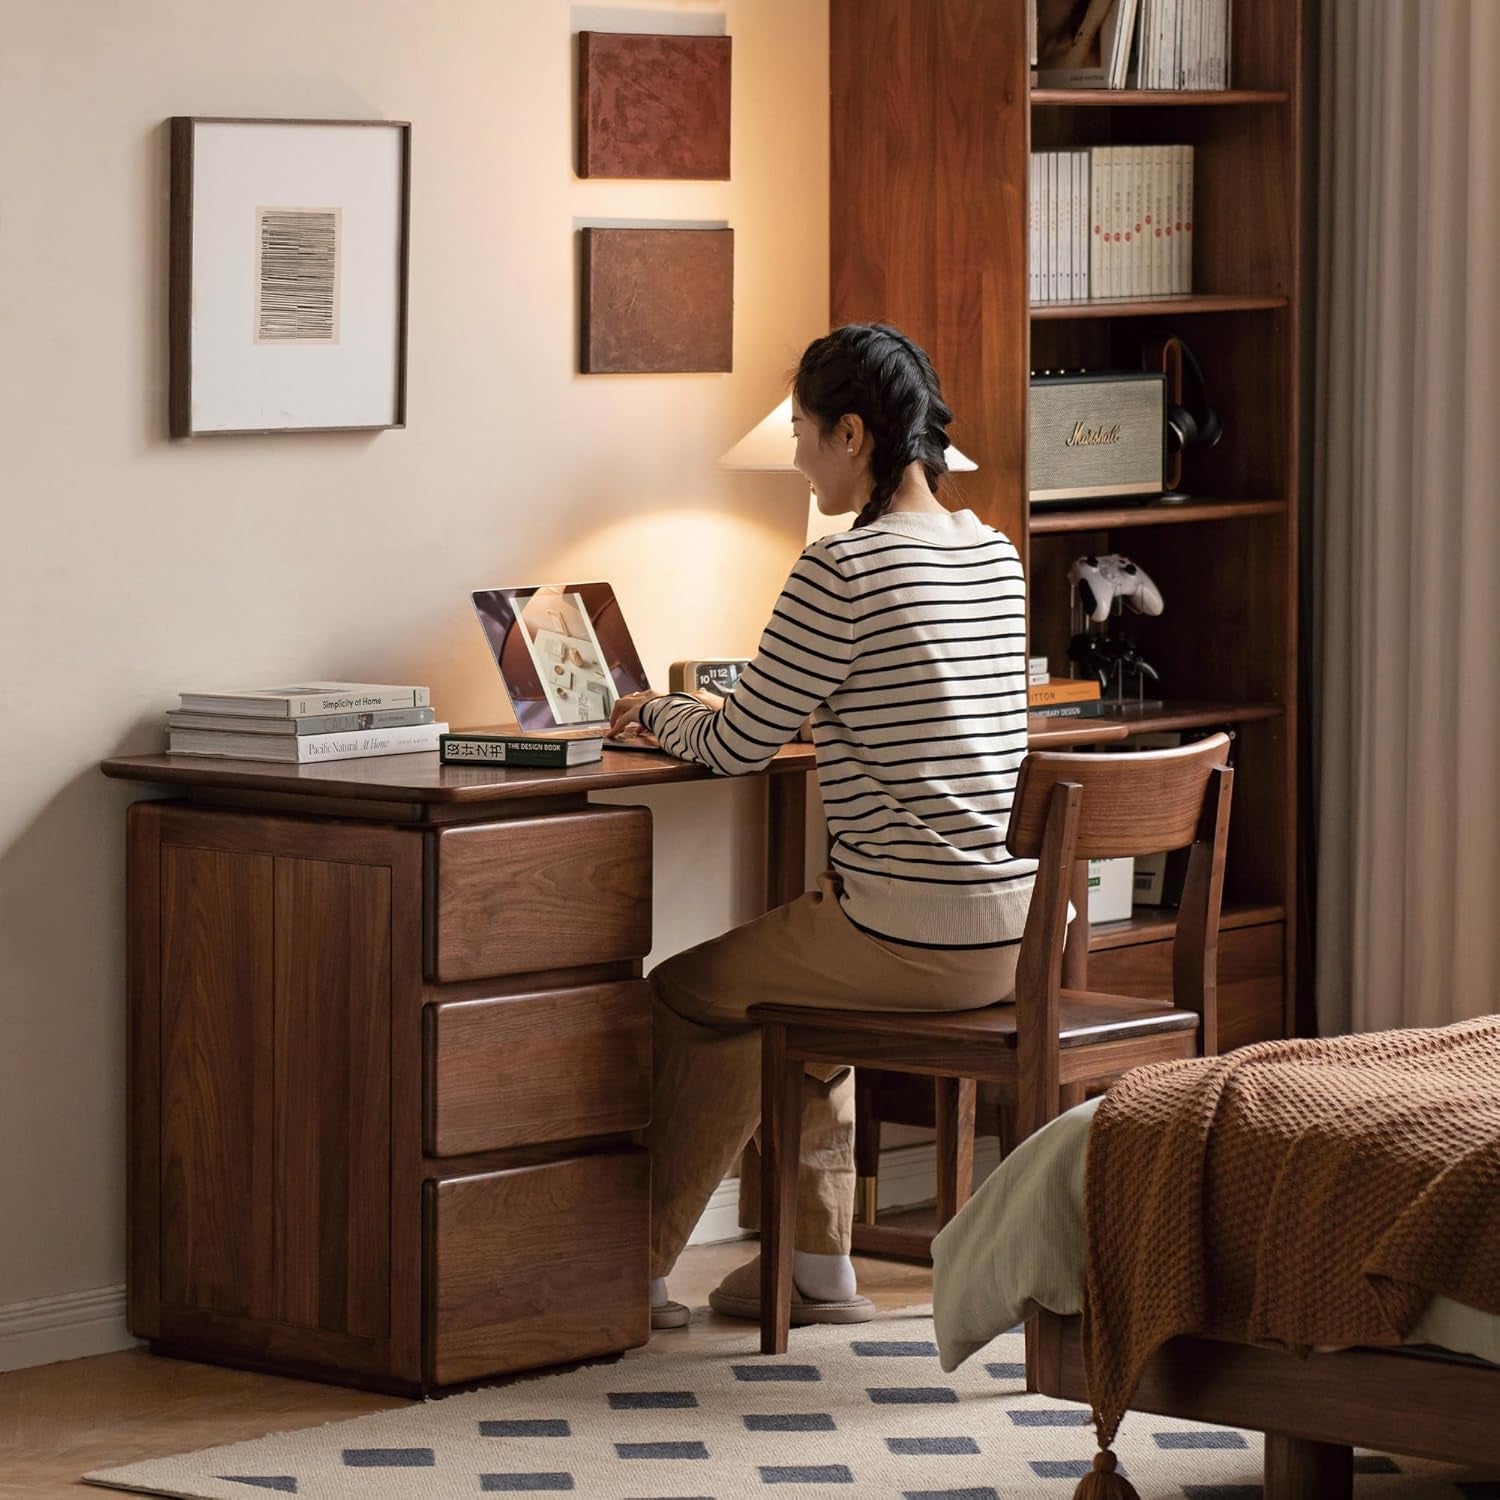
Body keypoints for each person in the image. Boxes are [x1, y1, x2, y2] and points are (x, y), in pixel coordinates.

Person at [608, 323, 1035, 1330]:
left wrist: (650, 710)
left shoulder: (841, 573)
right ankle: (818, 1268)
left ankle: (633, 1267)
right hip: (1017, 937)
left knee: (690, 994)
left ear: (852, 435)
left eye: (803, 433)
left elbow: (736, 745)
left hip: (907, 936)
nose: (798, 460)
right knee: (795, 982)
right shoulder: (995, 556)